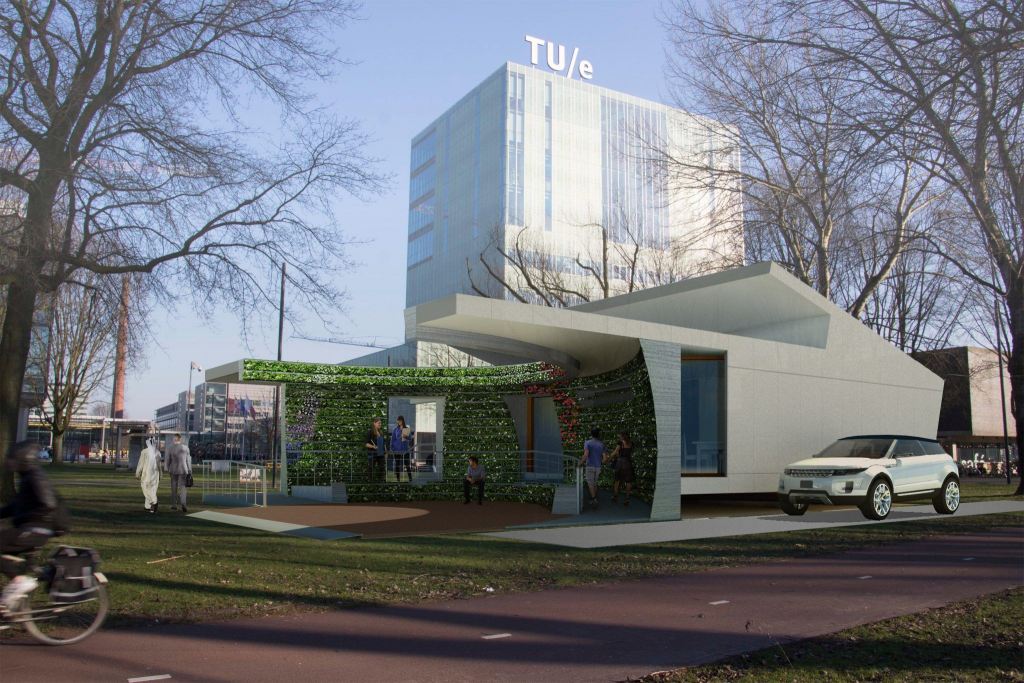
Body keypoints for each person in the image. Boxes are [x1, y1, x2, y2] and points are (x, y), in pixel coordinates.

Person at [0, 442, 59, 611]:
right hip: (30, 528)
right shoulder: (27, 477)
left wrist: (26, 518)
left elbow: (49, 504)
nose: (9, 462)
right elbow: (14, 506)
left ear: (23, 459)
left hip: (35, 530)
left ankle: (19, 581)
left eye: (13, 459)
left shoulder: (35, 477)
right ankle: (12, 600)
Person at [606, 431, 635, 506]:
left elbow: (615, 452)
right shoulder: (631, 443)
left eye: (620, 436)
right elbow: (631, 454)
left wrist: (608, 459)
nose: (619, 437)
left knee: (617, 480)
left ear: (622, 436)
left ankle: (615, 496)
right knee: (628, 482)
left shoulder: (620, 443)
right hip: (628, 463)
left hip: (620, 463)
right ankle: (627, 499)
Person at [165, 434, 192, 513]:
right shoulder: (185, 448)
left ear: (174, 439)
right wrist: (190, 470)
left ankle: (174, 505)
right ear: (180, 439)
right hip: (183, 469)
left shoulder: (170, 448)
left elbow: (168, 459)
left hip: (173, 469)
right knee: (183, 487)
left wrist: (167, 468)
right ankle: (183, 503)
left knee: (174, 487)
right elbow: (188, 460)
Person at [578, 427, 605, 508]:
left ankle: (594, 499)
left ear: (591, 434)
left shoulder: (587, 443)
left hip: (590, 466)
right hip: (598, 467)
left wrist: (580, 463)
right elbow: (605, 458)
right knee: (594, 483)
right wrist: (601, 462)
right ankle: (593, 499)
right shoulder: (602, 444)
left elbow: (586, 455)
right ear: (598, 434)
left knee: (590, 484)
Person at [136, 437, 161, 513]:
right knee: (152, 490)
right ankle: (147, 506)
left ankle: (154, 502)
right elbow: (159, 465)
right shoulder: (157, 452)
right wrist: (161, 474)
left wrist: (137, 473)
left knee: (145, 488)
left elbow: (141, 463)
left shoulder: (144, 452)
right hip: (155, 474)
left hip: (146, 474)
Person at [390, 416, 414, 482]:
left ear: (402, 421)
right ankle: (398, 480)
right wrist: (392, 448)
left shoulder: (406, 428)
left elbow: (410, 438)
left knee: (407, 464)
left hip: (405, 449)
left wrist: (405, 436)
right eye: (398, 421)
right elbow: (392, 440)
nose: (399, 422)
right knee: (397, 464)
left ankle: (410, 479)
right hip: (397, 449)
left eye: (400, 420)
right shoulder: (395, 429)